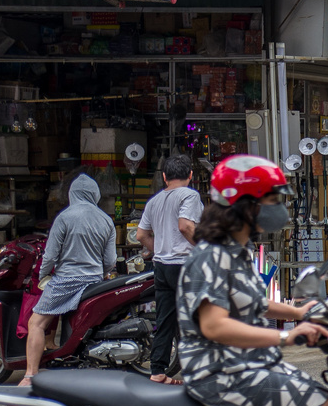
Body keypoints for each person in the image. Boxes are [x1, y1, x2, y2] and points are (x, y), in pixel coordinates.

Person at [178, 155, 328, 406]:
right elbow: (214, 325)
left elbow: (253, 302)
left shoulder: (236, 250)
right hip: (222, 372)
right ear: (246, 206)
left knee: (319, 397)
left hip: (248, 364)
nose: (280, 210)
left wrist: (299, 311)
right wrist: (286, 335)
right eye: (273, 201)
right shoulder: (212, 257)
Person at [23, 173, 116, 384]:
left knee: (36, 323)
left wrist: (42, 274)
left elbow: (50, 255)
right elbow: (110, 261)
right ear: (95, 194)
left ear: (72, 194)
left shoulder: (64, 217)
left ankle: (30, 375)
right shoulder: (106, 220)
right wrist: (98, 273)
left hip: (65, 281)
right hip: (94, 283)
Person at [136, 154, 204, 384]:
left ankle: (158, 371)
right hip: (183, 265)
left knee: (165, 320)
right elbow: (185, 226)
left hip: (162, 267)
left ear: (165, 177)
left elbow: (141, 235)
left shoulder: (154, 201)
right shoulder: (190, 195)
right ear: (190, 175)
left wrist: (159, 249)